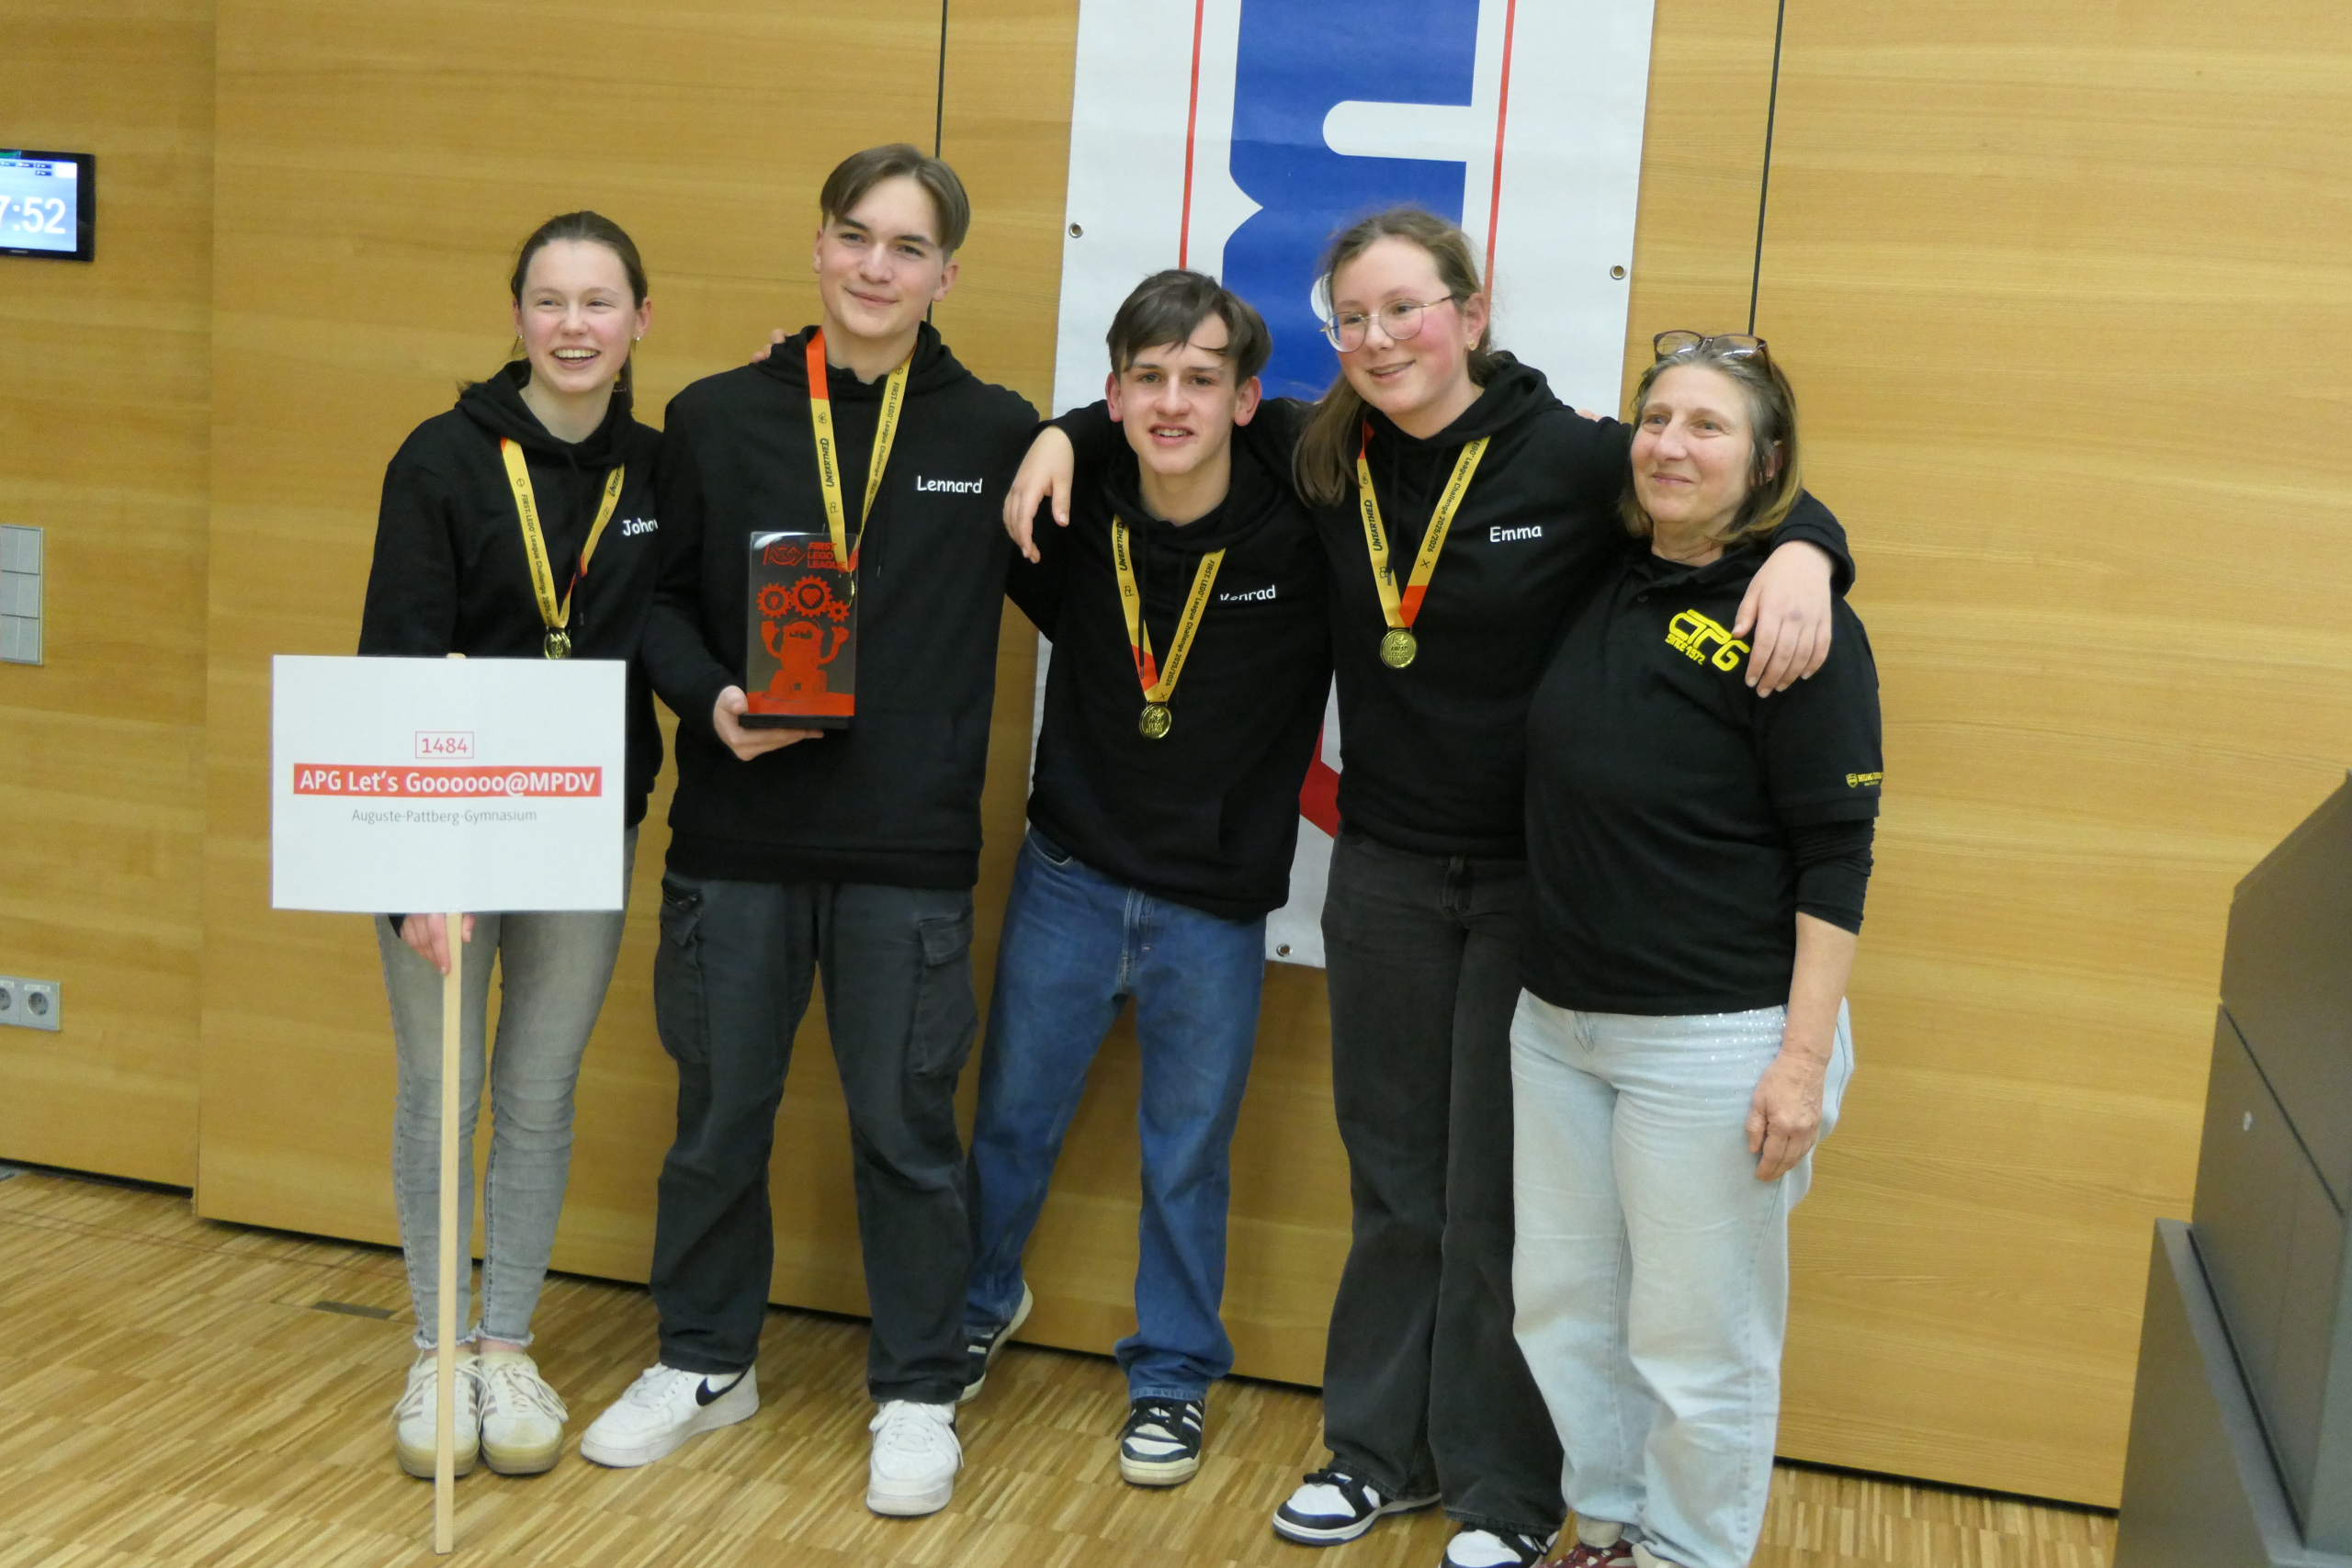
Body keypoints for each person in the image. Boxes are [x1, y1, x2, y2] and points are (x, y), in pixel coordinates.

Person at [1006, 209, 1850, 1568]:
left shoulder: (1571, 455)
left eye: (1406, 308)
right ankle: (1373, 1453)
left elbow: (1718, 492)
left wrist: (1813, 548)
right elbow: (1168, 416)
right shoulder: (1319, 447)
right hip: (1386, 877)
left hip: (1531, 889)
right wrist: (1062, 432)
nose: (1380, 338)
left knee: (1500, 1206)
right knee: (1394, 1183)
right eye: (1354, 318)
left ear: (1470, 310)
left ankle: (1503, 1492)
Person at [580, 144, 1036, 1520]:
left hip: (909, 852)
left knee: (905, 1130)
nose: (876, 266)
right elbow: (654, 605)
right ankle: (705, 1360)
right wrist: (710, 700)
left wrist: (1075, 430)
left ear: (947, 274)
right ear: (819, 247)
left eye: (909, 247)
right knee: (718, 1118)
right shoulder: (717, 416)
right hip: (738, 838)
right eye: (855, 236)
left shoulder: (997, 431)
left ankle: (918, 1388)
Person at [958, 270, 1329, 1487]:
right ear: (1114, 395)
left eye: (1202, 380)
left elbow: (1380, 438)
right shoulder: (1071, 509)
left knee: (1186, 1155)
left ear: (1245, 400)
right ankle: (976, 1307)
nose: (1174, 403)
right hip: (1067, 876)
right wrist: (1062, 433)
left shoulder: (1304, 523)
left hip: (1214, 908)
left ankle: (1171, 1376)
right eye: (1148, 379)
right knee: (1010, 1123)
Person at [1510, 333, 1877, 1568]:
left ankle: (1690, 1554)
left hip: (1715, 1039)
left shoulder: (1794, 621)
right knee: (1566, 1309)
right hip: (1557, 1025)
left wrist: (1801, 1063)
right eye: (1657, 419)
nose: (1671, 444)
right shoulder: (1599, 567)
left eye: (1708, 426)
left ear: (1766, 462)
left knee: (1699, 1339)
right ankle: (1610, 1529)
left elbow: (1836, 856)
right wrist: (1812, 535)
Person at [356, 210, 663, 1480]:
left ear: (639, 320)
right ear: (519, 316)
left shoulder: (662, 471)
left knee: (538, 1093)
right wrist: (414, 870)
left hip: (584, 825)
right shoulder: (441, 459)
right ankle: (437, 1350)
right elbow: (392, 663)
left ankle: (505, 1344)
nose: (574, 326)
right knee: (444, 1090)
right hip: (444, 830)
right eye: (550, 300)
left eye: (600, 302)